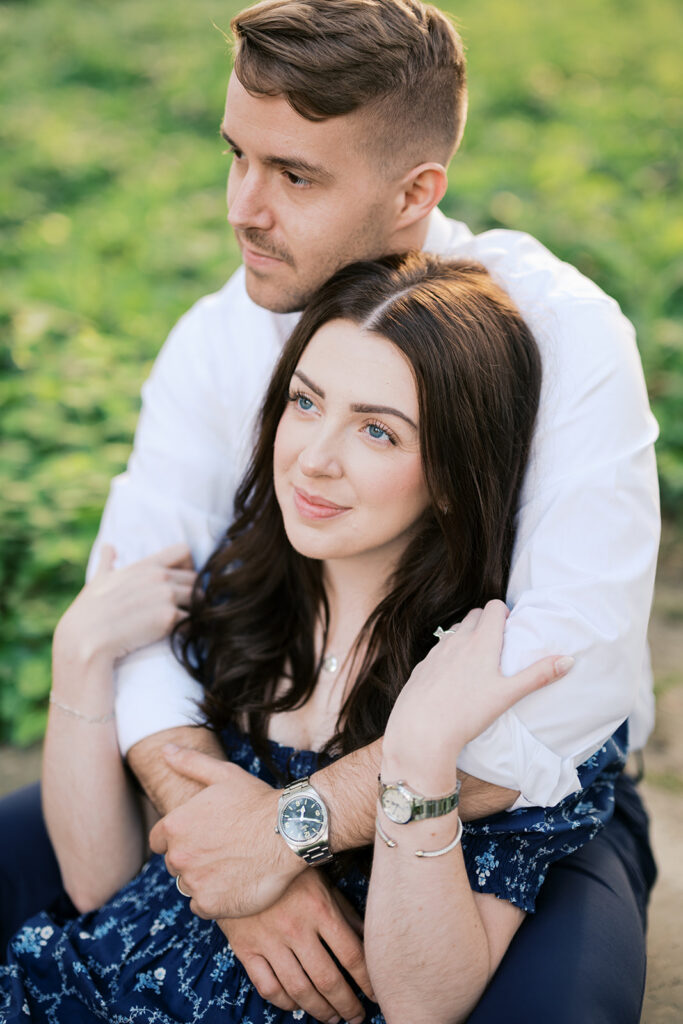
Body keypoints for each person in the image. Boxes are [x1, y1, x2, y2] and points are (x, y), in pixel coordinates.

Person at [0, 1, 658, 1021]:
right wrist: (227, 844)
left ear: (414, 192)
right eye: (238, 156)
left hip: (510, 799)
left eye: (295, 175)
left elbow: (563, 679)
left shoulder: (558, 336)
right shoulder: (220, 337)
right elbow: (138, 598)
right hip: (244, 748)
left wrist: (287, 831)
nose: (241, 209)